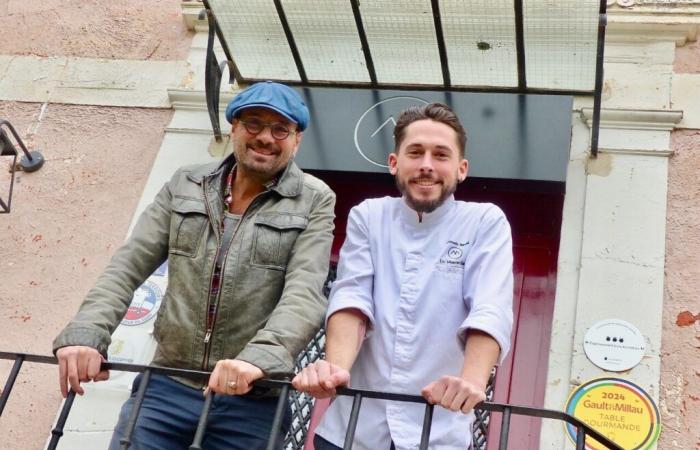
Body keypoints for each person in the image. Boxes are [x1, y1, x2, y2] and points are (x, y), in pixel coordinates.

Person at [52, 81, 336, 450]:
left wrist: (256, 360)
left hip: (253, 401)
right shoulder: (186, 183)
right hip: (165, 388)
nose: (266, 137)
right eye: (254, 123)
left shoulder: (314, 200)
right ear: (233, 127)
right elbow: (127, 266)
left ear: (296, 140)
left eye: (280, 129)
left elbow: (305, 292)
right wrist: (86, 335)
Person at [293, 103, 514, 450]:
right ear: (394, 163)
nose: (427, 164)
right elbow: (352, 298)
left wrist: (471, 381)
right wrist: (334, 369)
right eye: (415, 152)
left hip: (439, 433)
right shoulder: (369, 215)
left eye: (441, 154)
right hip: (353, 431)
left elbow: (490, 306)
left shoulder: (486, 221)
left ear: (461, 169)